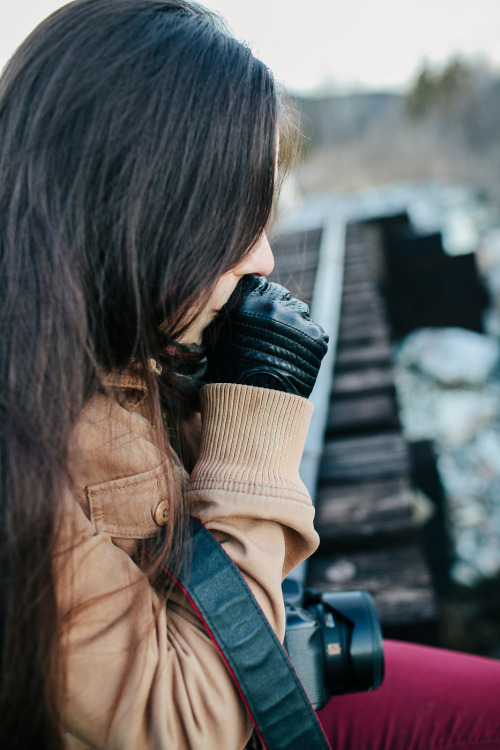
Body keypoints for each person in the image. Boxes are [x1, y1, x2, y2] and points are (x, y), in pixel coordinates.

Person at [1, 2, 500, 750]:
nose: (264, 258)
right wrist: (255, 428)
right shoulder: (24, 447)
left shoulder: (99, 349)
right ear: (137, 210)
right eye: (236, 221)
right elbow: (191, 726)